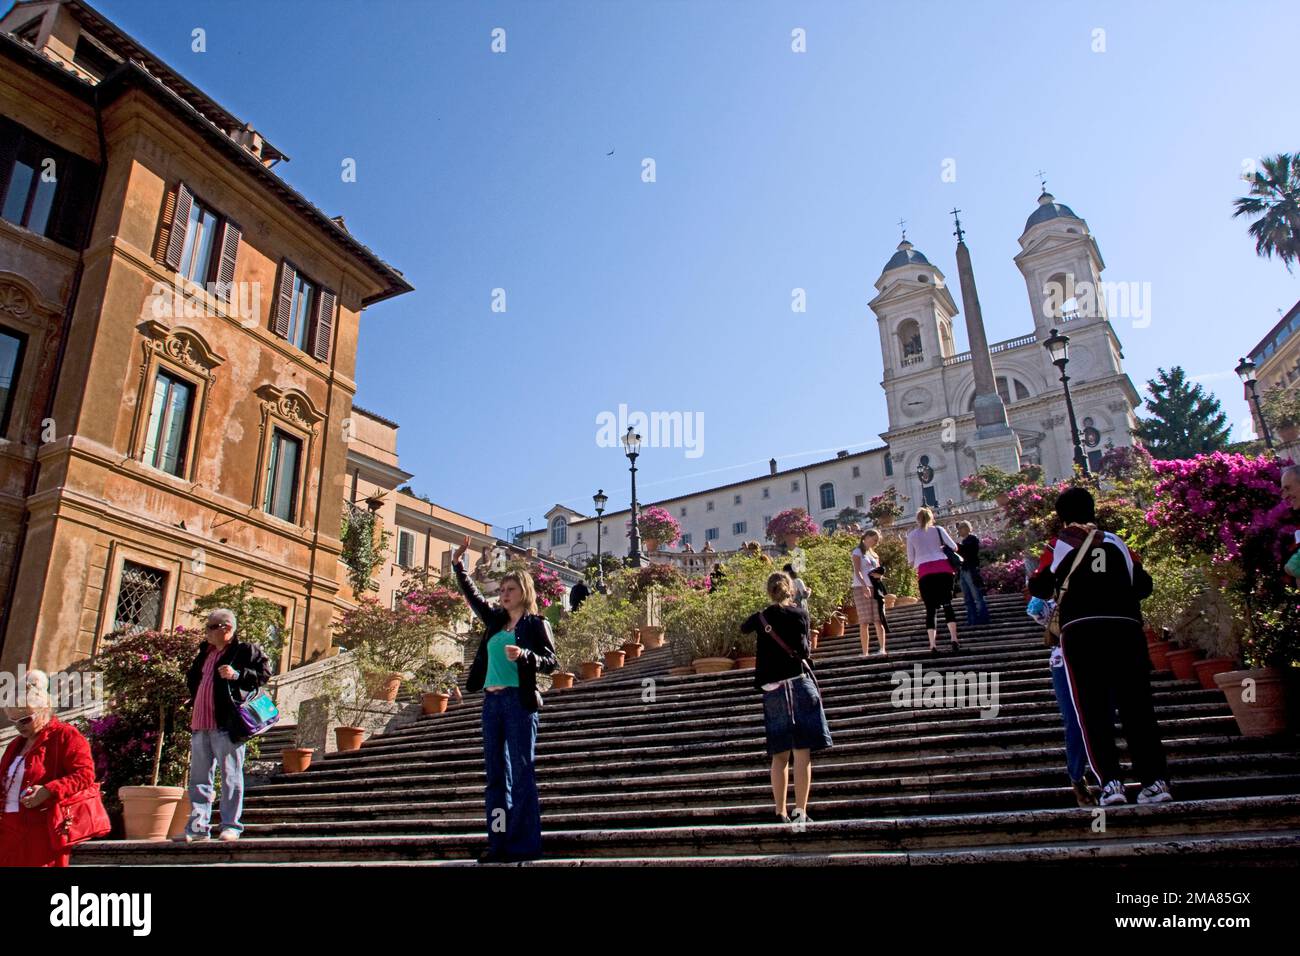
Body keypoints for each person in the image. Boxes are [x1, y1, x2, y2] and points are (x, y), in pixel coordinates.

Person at [1028, 486, 1172, 807]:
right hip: (1125, 629)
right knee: (1138, 707)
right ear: (1093, 511)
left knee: (1092, 709)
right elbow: (1143, 585)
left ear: (1062, 516)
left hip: (1082, 632)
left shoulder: (1058, 545)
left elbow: (1038, 585)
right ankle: (1154, 781)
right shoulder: (1116, 542)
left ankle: (1111, 783)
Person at [452, 534, 558, 863]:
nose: (503, 595)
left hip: (518, 703)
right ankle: (498, 842)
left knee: (522, 773)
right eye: (501, 591)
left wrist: (525, 654)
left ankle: (524, 843)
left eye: (509, 590)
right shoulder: (495, 622)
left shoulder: (536, 624)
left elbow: (552, 662)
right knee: (496, 778)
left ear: (523, 592)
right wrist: (459, 566)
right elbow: (473, 598)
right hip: (491, 705)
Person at [741, 571, 833, 824]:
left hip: (773, 691)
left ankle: (779, 811)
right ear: (790, 589)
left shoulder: (761, 618)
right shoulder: (800, 614)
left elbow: (743, 628)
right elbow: (804, 650)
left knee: (779, 754)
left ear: (769, 591)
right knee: (802, 752)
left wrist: (765, 620)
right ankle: (800, 811)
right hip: (798, 683)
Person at [181, 608, 271, 842]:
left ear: (226, 629)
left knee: (230, 775)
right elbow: (195, 678)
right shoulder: (206, 651)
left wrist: (237, 674)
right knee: (199, 779)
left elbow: (264, 674)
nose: (206, 632)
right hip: (200, 723)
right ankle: (199, 826)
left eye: (211, 627)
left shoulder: (244, 651)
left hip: (227, 724)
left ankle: (231, 825)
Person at [0, 671, 97, 866]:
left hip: (43, 831)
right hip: (8, 831)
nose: (19, 726)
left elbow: (85, 774)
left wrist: (48, 790)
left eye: (25, 719)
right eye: (14, 721)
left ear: (44, 709)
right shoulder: (16, 745)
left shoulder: (66, 736)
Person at [906, 508, 961, 654]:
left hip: (925, 572)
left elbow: (911, 561)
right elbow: (954, 547)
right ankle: (954, 638)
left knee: (930, 610)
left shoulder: (911, 535)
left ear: (917, 519)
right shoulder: (938, 530)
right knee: (948, 605)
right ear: (931, 518)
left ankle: (932, 645)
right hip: (944, 569)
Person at [850, 531, 889, 656]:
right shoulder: (857, 552)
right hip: (861, 587)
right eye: (874, 539)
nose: (875, 542)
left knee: (878, 619)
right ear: (866, 537)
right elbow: (857, 571)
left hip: (875, 587)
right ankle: (865, 652)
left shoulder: (874, 555)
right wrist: (864, 585)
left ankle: (882, 648)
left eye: (877, 540)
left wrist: (880, 575)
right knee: (864, 621)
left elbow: (878, 573)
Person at [955, 521, 991, 626]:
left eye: (961, 529)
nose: (959, 531)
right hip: (964, 569)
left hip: (970, 569)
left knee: (976, 595)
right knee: (967, 597)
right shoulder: (965, 541)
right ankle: (972, 619)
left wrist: (956, 546)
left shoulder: (972, 539)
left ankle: (983, 618)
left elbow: (967, 552)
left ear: (966, 528)